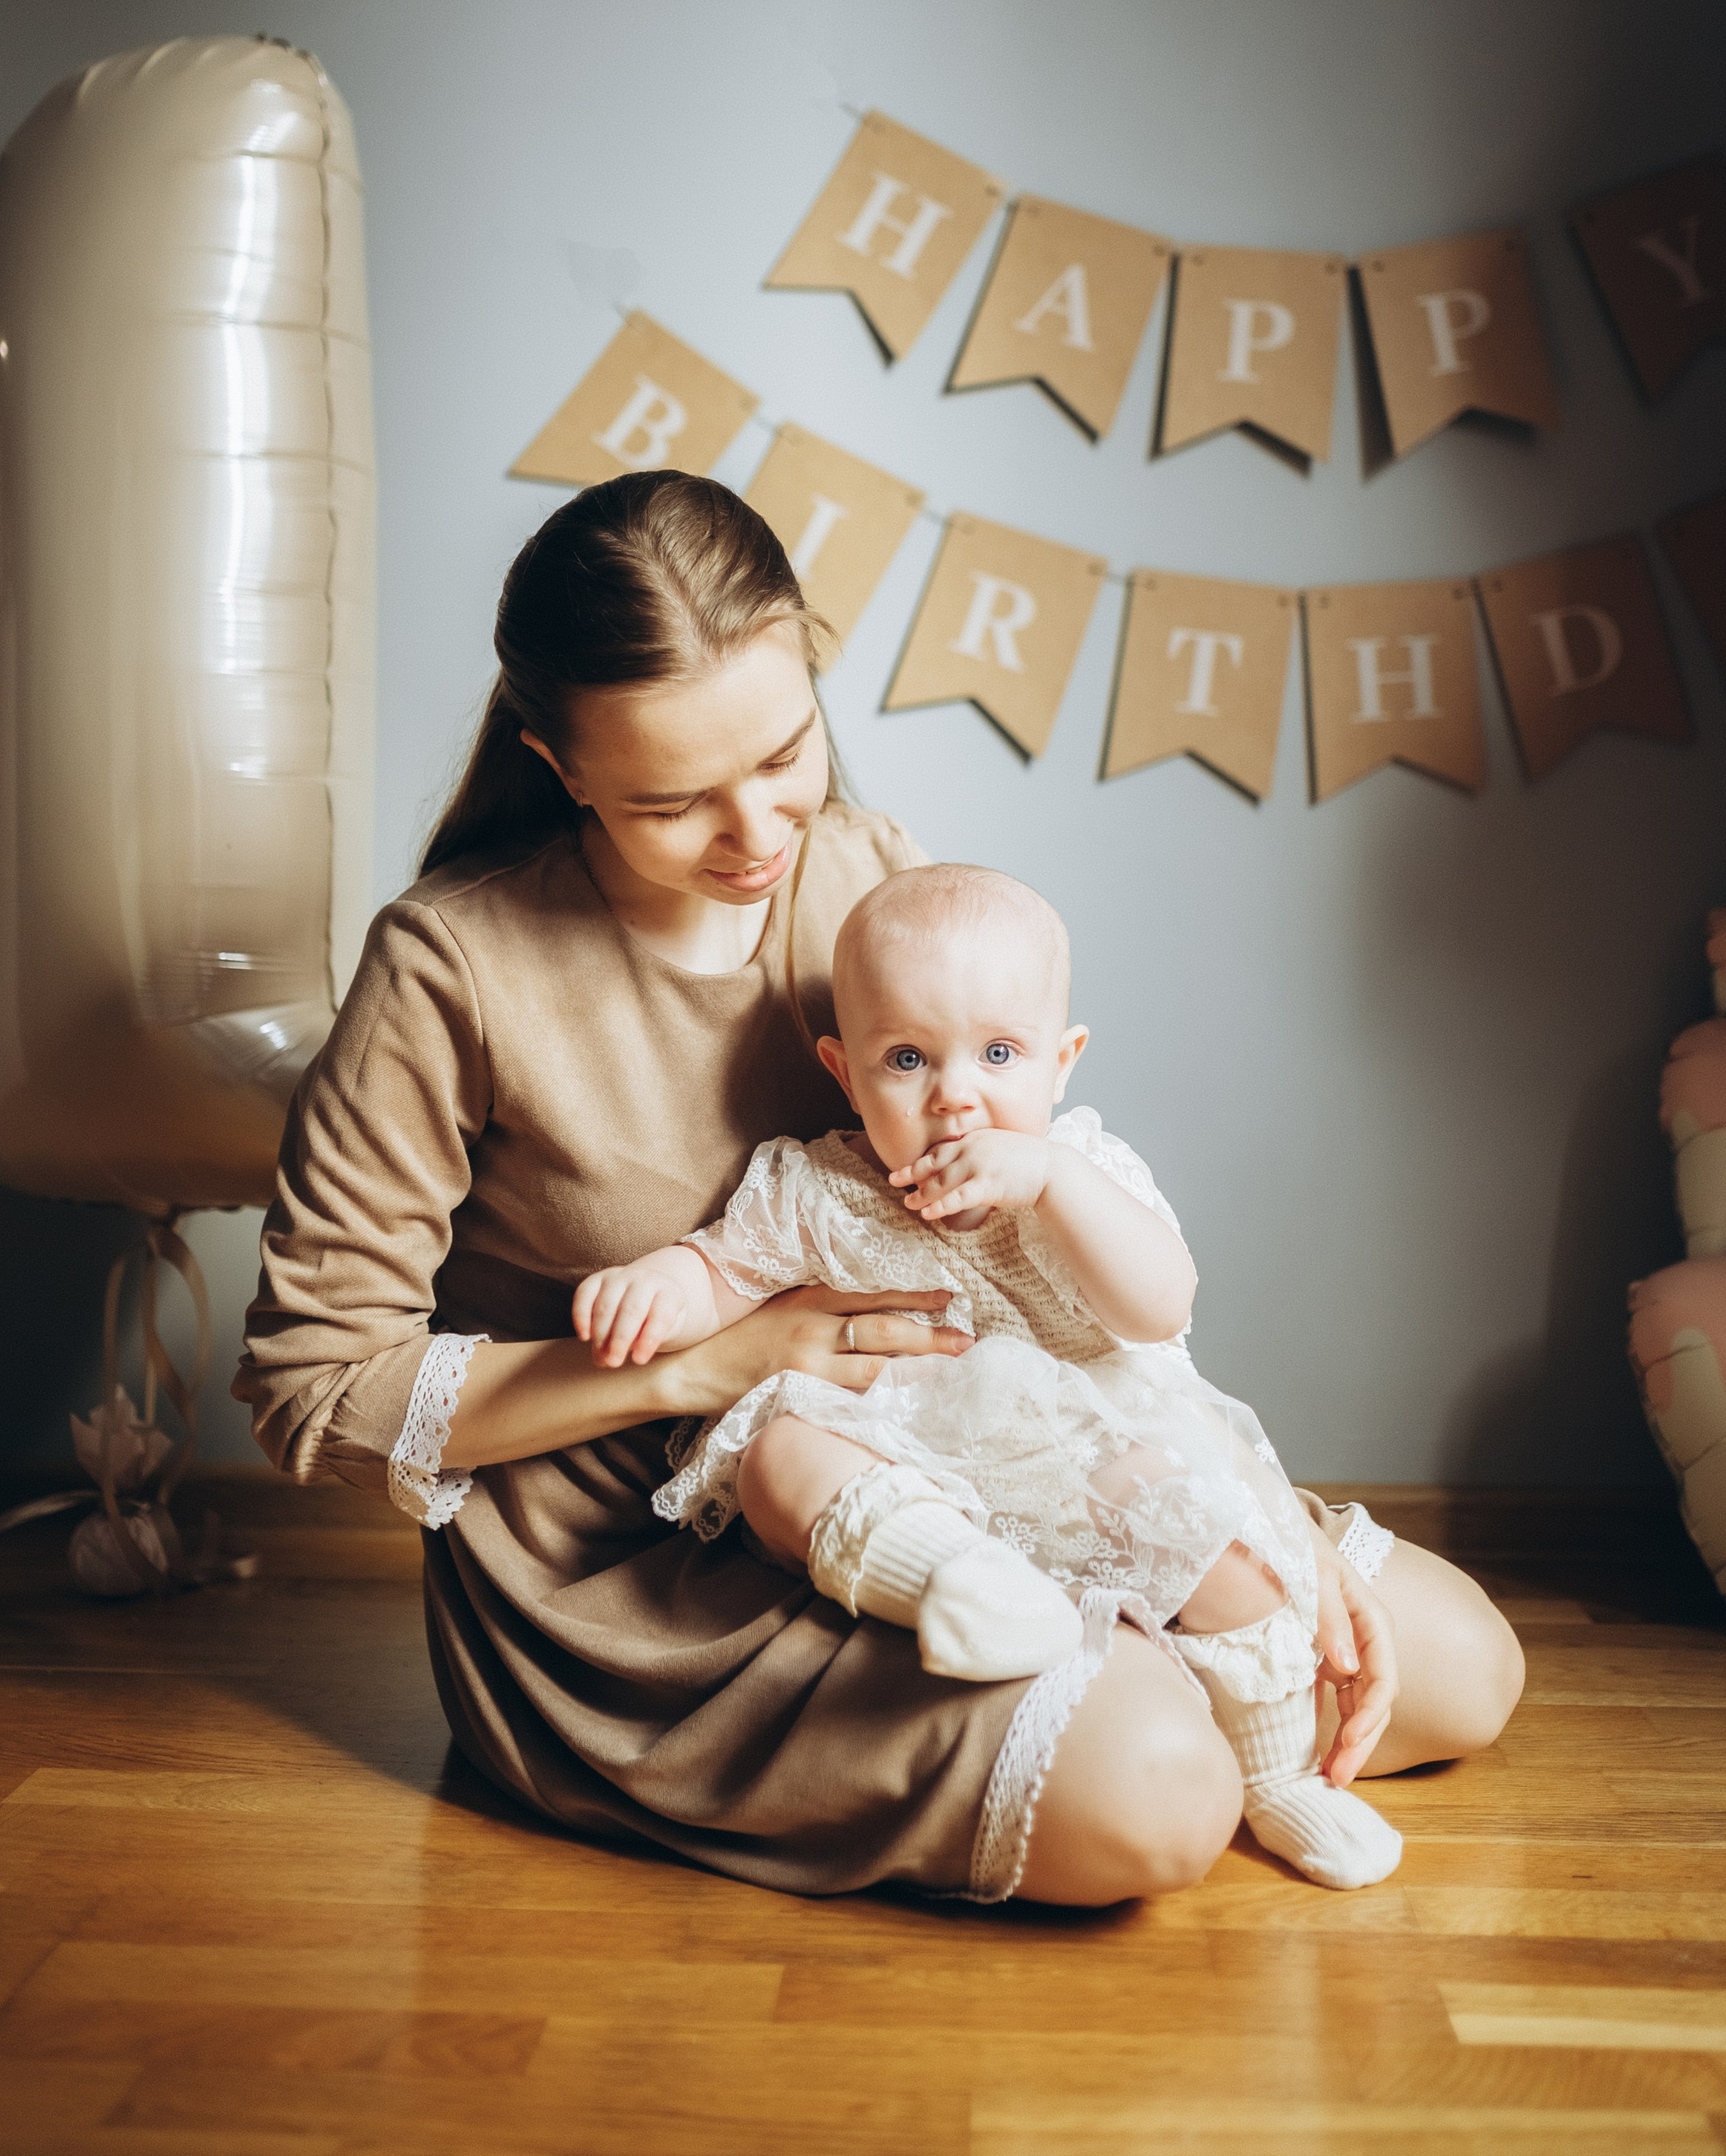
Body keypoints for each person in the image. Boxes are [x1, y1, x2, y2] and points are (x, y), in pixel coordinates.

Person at [235, 470, 1524, 1906]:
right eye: (671, 801)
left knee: (1465, 1673)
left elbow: (1043, 1237)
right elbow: (312, 1386)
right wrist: (705, 1367)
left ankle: (1148, 1659)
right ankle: (1140, 1698)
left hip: (988, 1433)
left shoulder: (861, 868)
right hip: (656, 1551)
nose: (755, 836)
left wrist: (1241, 1503)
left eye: (786, 751)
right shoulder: (452, 966)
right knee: (1162, 1800)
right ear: (559, 763)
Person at [573, 860, 1401, 1890]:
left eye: (999, 1054)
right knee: (777, 1452)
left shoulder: (1085, 1172)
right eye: (907, 1059)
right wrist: (664, 1284)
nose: (956, 1096)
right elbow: (727, 1268)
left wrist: (1050, 1181)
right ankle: (956, 1586)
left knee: (1231, 1560)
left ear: (1062, 1063)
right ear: (844, 1072)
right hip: (912, 1475)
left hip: (1088, 1470)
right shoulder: (816, 1185)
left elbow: (1161, 1306)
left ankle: (1281, 1780)